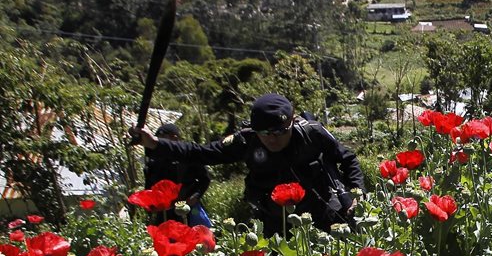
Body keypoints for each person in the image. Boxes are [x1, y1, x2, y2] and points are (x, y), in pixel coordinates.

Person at [131, 94, 363, 237]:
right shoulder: (246, 141)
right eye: (264, 133)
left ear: (291, 122)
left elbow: (347, 158)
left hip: (321, 211)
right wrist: (155, 144)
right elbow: (200, 153)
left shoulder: (312, 133)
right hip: (274, 219)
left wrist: (356, 194)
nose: (272, 139)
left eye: (280, 132)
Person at [144, 122, 212, 227]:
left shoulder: (188, 155)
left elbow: (205, 179)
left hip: (188, 207)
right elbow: (149, 188)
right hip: (165, 213)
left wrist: (195, 197)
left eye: (163, 138)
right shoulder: (154, 162)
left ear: (174, 138)